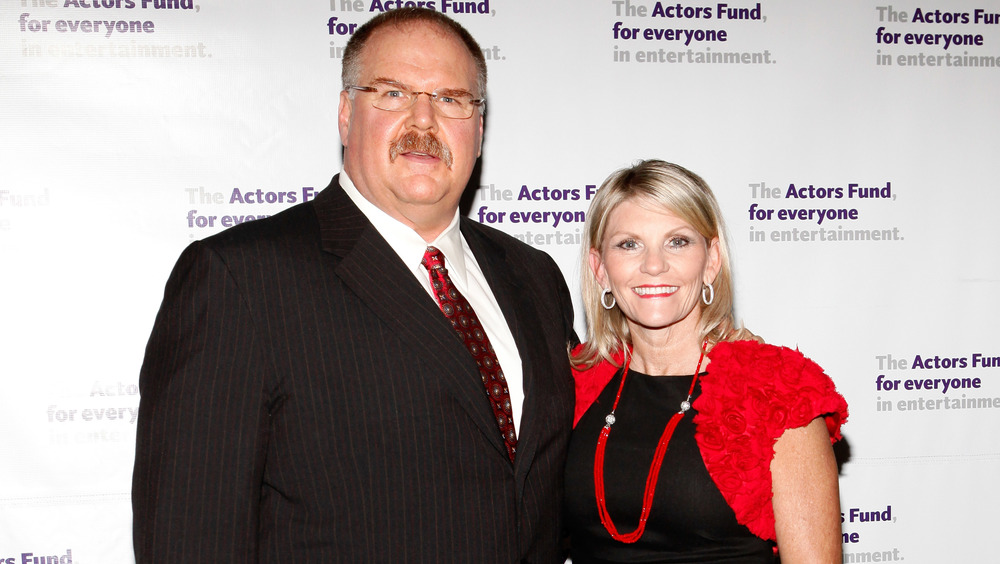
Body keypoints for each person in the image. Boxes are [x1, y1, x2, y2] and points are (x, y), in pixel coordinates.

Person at [132, 8, 576, 563]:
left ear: (479, 128)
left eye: (451, 98)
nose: (424, 121)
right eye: (392, 94)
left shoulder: (533, 277)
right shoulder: (239, 280)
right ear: (346, 115)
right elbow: (190, 540)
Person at [564, 160, 848, 563]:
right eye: (629, 244)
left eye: (677, 241)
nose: (654, 264)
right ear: (600, 269)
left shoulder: (776, 391)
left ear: (712, 260)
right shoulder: (575, 381)